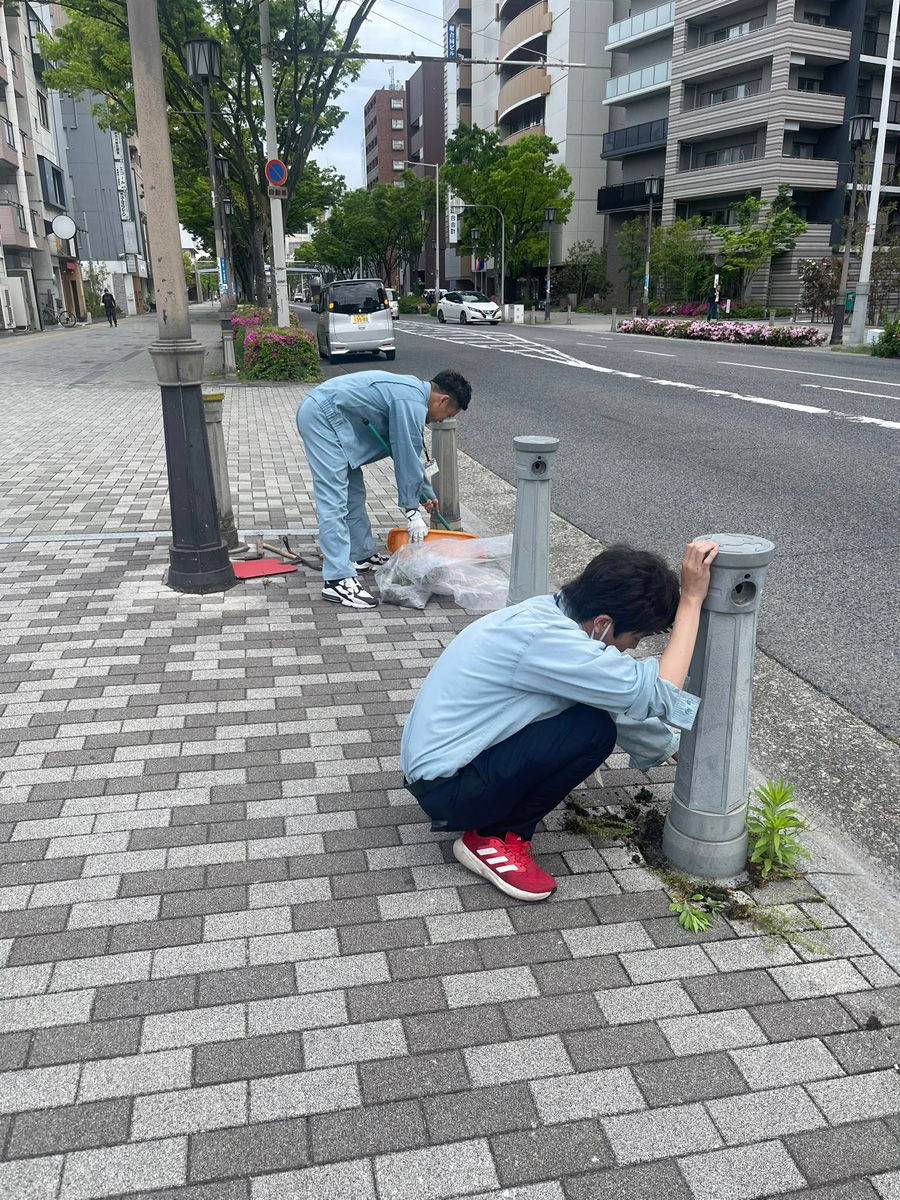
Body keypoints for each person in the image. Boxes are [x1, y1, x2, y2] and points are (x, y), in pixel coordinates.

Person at [401, 540, 719, 901]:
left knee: (592, 715)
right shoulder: (548, 641)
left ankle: (494, 821)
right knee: (591, 732)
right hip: (449, 789)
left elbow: (611, 699)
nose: (630, 648)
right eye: (635, 637)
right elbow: (660, 692)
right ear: (603, 622)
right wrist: (691, 600)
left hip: (442, 772)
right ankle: (494, 839)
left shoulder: (549, 614)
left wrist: (673, 750)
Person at [296, 369, 471, 609]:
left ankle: (361, 555)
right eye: (447, 414)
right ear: (443, 399)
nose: (440, 421)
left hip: (335, 419)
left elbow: (409, 452)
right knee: (334, 501)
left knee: (353, 495)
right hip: (322, 418)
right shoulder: (411, 401)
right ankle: (337, 580)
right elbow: (406, 451)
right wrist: (411, 511)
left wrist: (425, 495)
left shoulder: (413, 394)